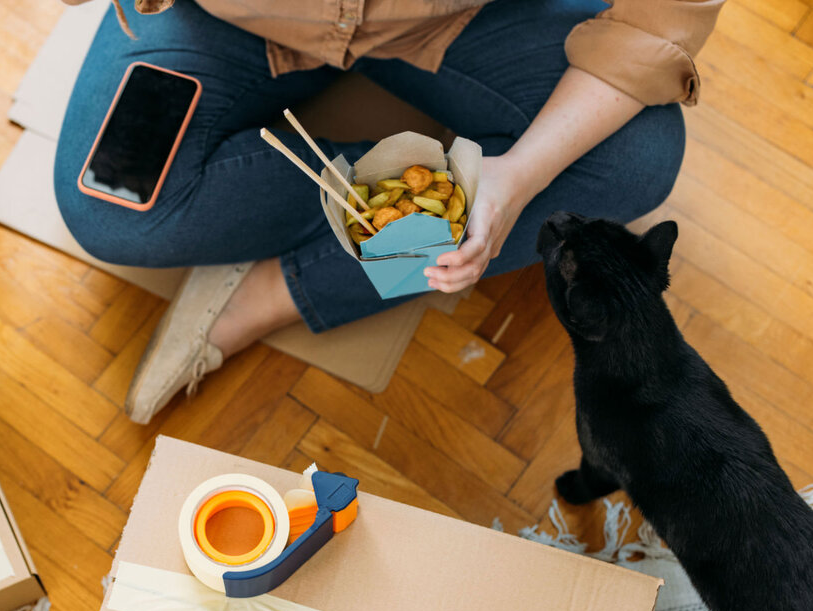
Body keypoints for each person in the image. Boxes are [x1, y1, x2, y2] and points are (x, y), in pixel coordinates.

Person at [54, 0, 723, 424]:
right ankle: (391, 223)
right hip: (235, 17)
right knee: (114, 203)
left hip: (445, 22)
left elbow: (655, 23)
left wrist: (518, 178)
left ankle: (274, 291)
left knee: (637, 154)